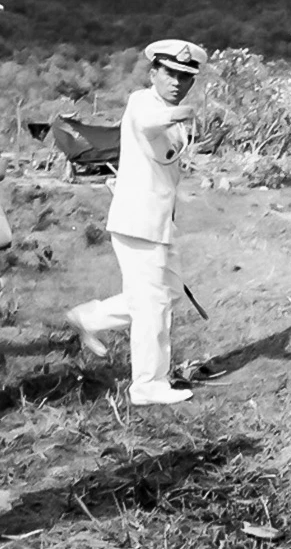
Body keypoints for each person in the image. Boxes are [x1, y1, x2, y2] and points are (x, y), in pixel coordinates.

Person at [64, 39, 207, 406]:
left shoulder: (172, 113)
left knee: (167, 294)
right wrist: (182, 113)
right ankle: (147, 383)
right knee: (153, 304)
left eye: (185, 77)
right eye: (171, 74)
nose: (177, 82)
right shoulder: (144, 102)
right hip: (138, 221)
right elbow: (148, 122)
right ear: (154, 73)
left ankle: (92, 316)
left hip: (159, 223)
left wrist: (181, 116)